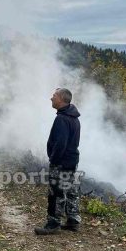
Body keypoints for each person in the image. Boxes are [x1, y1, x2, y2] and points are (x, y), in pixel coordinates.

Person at [35, 88, 81, 235]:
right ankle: (73, 221)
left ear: (61, 99)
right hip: (71, 161)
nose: (51, 98)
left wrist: (53, 159)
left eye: (54, 96)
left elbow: (60, 143)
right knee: (70, 190)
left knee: (56, 193)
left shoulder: (61, 119)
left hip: (60, 163)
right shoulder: (74, 118)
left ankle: (53, 223)